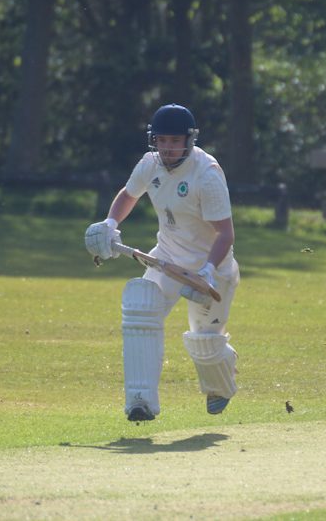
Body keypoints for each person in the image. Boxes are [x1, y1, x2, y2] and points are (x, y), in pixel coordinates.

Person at [85, 103, 240, 422]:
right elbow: (128, 195)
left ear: (189, 139)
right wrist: (111, 223)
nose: (168, 148)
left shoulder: (206, 173)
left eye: (174, 141)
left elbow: (225, 233)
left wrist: (208, 271)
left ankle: (221, 382)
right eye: (162, 140)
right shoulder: (149, 165)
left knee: (205, 345)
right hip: (166, 259)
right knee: (141, 310)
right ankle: (140, 401)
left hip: (210, 268)